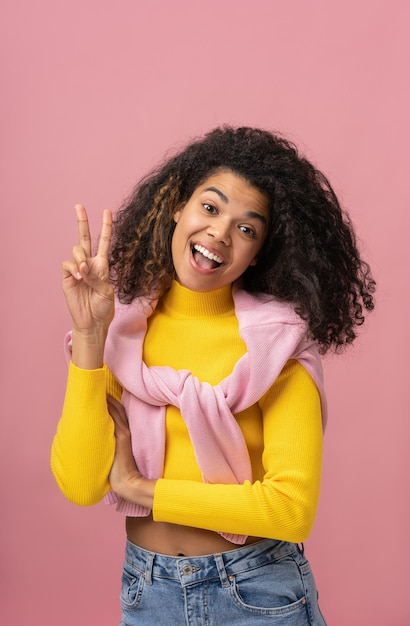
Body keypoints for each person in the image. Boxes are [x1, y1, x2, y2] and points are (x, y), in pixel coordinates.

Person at [51, 126, 375, 625]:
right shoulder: (124, 334)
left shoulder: (277, 346)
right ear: (177, 206)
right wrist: (90, 336)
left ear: (258, 253)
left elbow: (290, 510)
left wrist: (142, 490)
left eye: (247, 229)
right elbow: (81, 485)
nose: (220, 233)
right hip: (148, 591)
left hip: (258, 591)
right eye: (210, 207)